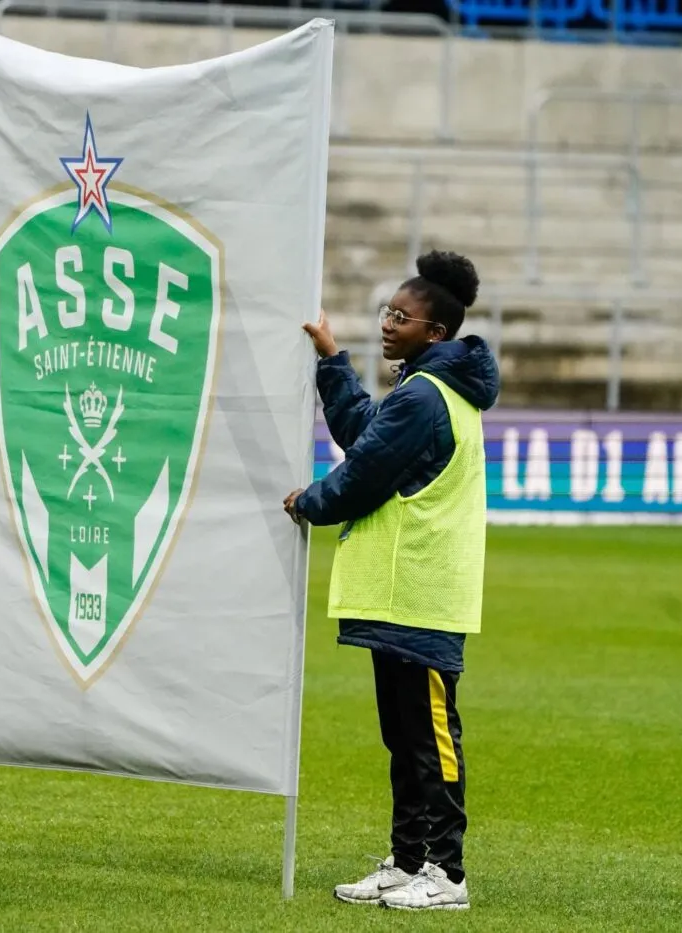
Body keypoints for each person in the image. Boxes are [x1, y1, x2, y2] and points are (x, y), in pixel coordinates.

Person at [284, 251, 500, 911]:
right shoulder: (423, 392)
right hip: (402, 594)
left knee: (432, 740)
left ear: (434, 333)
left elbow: (362, 474)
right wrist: (330, 358)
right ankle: (408, 861)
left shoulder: (426, 398)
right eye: (386, 313)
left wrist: (309, 501)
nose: (387, 324)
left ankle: (447, 872)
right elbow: (365, 433)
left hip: (423, 595)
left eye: (401, 318)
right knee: (405, 740)